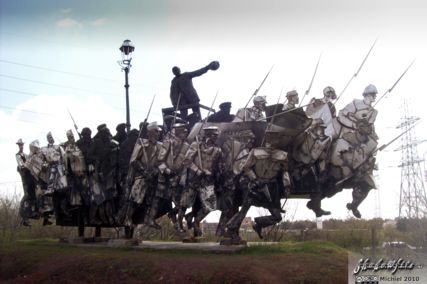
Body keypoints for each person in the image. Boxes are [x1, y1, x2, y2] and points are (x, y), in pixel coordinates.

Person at [225, 130, 289, 242]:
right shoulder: (256, 152)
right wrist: (254, 179)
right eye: (270, 139)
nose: (273, 142)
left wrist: (287, 185)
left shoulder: (282, 155)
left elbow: (284, 172)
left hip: (270, 188)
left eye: (275, 139)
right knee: (244, 210)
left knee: (277, 216)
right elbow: (246, 167)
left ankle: (258, 224)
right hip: (255, 186)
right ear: (266, 140)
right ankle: (231, 228)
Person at [178, 126, 223, 238]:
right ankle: (179, 223)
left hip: (207, 181)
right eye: (214, 135)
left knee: (210, 206)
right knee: (184, 204)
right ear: (207, 135)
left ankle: (194, 220)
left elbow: (218, 167)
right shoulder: (195, 145)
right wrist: (198, 170)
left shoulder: (218, 150)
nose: (216, 137)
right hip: (193, 180)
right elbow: (187, 161)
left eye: (217, 135)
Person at [291, 119, 332, 217]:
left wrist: (323, 168)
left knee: (318, 187)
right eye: (320, 128)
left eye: (323, 128)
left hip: (313, 165)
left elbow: (326, 155)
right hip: (300, 164)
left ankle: (316, 208)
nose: (322, 130)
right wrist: (297, 159)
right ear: (315, 127)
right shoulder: (305, 135)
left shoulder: (326, 139)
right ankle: (315, 207)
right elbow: (294, 147)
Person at [126, 122, 163, 228]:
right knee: (135, 198)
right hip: (141, 175)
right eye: (156, 131)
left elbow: (162, 162)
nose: (158, 134)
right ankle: (128, 218)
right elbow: (134, 160)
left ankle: (149, 219)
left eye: (158, 132)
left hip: (153, 176)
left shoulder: (160, 146)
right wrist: (144, 171)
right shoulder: (141, 143)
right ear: (150, 132)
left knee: (153, 199)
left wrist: (156, 171)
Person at [156, 123, 191, 231]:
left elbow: (186, 163)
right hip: (167, 178)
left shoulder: (187, 146)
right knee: (165, 201)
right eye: (183, 132)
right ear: (178, 132)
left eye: (186, 132)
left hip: (180, 178)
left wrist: (183, 177)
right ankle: (176, 223)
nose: (185, 133)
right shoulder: (168, 143)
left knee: (183, 203)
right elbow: (160, 160)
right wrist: (167, 171)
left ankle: (174, 217)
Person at [16, 139, 37, 226]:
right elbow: (22, 166)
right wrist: (27, 165)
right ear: (18, 146)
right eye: (20, 145)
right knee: (27, 194)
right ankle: (23, 214)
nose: (21, 146)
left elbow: (31, 161)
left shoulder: (26, 155)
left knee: (33, 194)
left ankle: (31, 212)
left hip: (30, 176)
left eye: (22, 145)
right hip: (25, 176)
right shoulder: (18, 155)